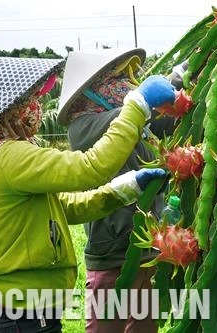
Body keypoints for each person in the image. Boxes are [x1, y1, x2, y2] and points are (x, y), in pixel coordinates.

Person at [0, 55, 176, 333]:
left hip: (15, 311)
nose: (35, 108)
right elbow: (90, 167)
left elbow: (64, 207)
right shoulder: (8, 157)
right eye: (29, 100)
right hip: (22, 316)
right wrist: (137, 105)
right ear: (8, 108)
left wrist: (124, 189)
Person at [58, 48, 186, 333]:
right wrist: (173, 78)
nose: (125, 86)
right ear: (91, 91)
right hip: (110, 250)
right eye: (116, 80)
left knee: (143, 327)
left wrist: (186, 80)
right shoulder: (84, 126)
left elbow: (160, 116)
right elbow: (131, 113)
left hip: (147, 244)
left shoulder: (133, 119)